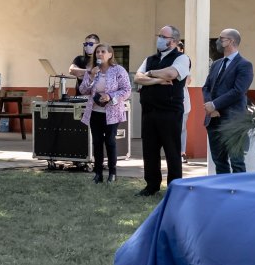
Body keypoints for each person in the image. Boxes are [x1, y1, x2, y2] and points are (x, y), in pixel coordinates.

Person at [133, 24, 190, 196]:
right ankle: (152, 185)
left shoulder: (182, 58)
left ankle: (174, 187)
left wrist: (149, 74)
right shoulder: (150, 59)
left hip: (170, 112)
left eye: (163, 37)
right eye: (159, 36)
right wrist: (156, 78)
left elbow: (171, 74)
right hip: (149, 111)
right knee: (149, 150)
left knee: (172, 150)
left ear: (173, 41)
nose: (159, 39)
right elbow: (137, 78)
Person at [202, 28, 254, 174]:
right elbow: (206, 87)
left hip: (233, 121)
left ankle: (239, 193)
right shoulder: (216, 64)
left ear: (231, 41)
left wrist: (214, 105)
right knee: (219, 162)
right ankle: (223, 192)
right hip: (213, 120)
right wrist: (210, 106)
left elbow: (238, 91)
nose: (218, 42)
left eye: (221, 38)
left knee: (236, 162)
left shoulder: (244, 65)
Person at [79, 43, 132, 184]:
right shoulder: (91, 70)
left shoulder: (118, 70)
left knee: (110, 141)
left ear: (110, 54)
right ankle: (98, 174)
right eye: (97, 52)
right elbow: (83, 90)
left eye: (103, 51)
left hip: (112, 111)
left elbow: (127, 90)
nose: (99, 54)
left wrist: (110, 96)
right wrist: (91, 77)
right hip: (95, 111)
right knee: (97, 142)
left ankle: (112, 173)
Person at [177, 40, 192, 164]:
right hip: (168, 100)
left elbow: (188, 80)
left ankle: (182, 152)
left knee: (182, 127)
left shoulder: (185, 62)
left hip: (183, 100)